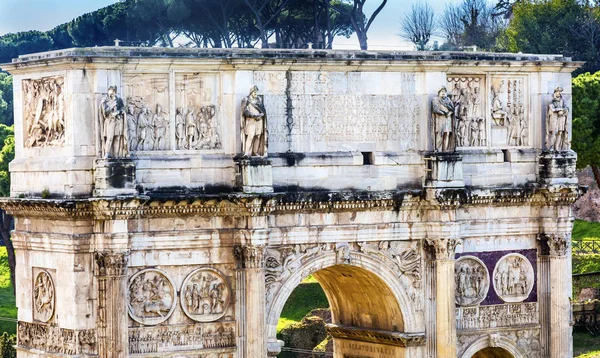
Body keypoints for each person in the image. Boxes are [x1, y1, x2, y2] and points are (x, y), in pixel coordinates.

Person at [99, 85, 128, 158]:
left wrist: (118, 112)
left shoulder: (119, 100)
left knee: (117, 137)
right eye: (109, 94)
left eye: (111, 94)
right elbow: (104, 112)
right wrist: (112, 105)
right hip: (110, 121)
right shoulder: (105, 100)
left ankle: (116, 155)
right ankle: (107, 153)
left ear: (115, 92)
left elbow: (124, 109)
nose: (110, 95)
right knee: (110, 138)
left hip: (118, 121)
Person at [241, 85, 267, 156]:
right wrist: (254, 116)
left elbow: (263, 110)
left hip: (259, 121)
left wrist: (261, 115)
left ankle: (255, 152)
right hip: (251, 121)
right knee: (250, 136)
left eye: (256, 92)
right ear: (251, 92)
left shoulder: (259, 100)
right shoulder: (246, 100)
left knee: (258, 136)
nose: (256, 93)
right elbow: (245, 112)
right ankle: (247, 152)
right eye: (254, 92)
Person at [431, 86, 455, 152]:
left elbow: (453, 108)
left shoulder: (448, 100)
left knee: (447, 133)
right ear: (439, 92)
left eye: (444, 91)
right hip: (440, 118)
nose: (443, 93)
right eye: (442, 91)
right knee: (440, 133)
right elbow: (435, 109)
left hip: (448, 119)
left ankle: (444, 150)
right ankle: (438, 149)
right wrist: (443, 113)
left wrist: (449, 113)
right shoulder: (435, 99)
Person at [546, 86, 569, 151]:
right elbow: (552, 108)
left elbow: (566, 108)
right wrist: (560, 110)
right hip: (554, 118)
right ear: (555, 92)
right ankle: (551, 146)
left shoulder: (562, 100)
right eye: (558, 91)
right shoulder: (551, 99)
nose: (559, 93)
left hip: (561, 118)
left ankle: (557, 147)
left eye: (560, 92)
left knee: (560, 132)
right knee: (554, 132)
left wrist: (563, 111)